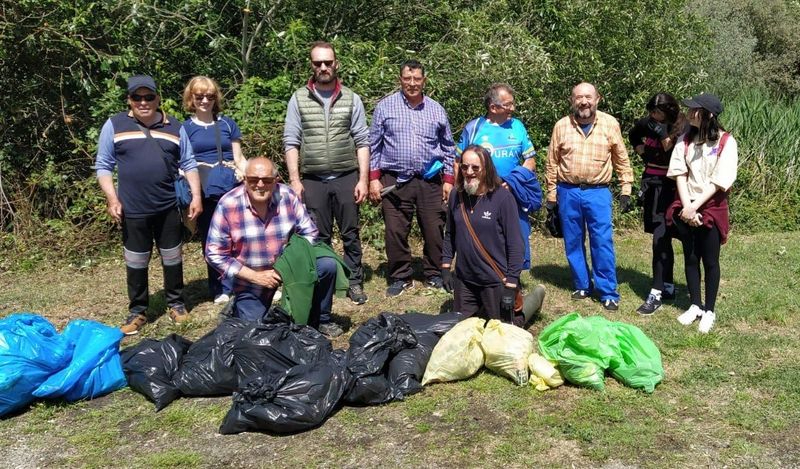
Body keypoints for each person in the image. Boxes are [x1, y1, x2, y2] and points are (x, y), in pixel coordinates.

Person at [95, 75, 202, 335]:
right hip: (132, 209)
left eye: (149, 97)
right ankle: (138, 311)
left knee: (173, 257)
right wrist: (112, 199)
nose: (143, 102)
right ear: (129, 100)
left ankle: (176, 304)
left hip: (167, 207)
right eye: (137, 97)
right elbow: (103, 165)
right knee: (136, 261)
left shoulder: (175, 127)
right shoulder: (114, 125)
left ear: (158, 98)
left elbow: (188, 163)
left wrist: (196, 196)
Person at [205, 157, 344, 337]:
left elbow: (310, 233)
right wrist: (255, 276)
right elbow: (214, 253)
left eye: (267, 180)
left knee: (326, 265)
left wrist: (286, 267)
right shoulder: (228, 204)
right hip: (251, 279)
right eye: (254, 179)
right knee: (254, 334)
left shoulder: (288, 196)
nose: (260, 185)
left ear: (276, 180)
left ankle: (320, 318)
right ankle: (238, 307)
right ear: (244, 180)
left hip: (290, 269)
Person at [284, 41, 370, 305]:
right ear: (311, 65)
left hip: (346, 176)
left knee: (350, 233)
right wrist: (295, 180)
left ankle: (354, 281)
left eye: (327, 62)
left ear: (336, 64)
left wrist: (364, 180)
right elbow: (291, 140)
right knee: (318, 236)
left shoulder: (351, 98)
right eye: (317, 63)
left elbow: (362, 141)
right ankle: (328, 282)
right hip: (312, 179)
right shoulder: (298, 98)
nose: (323, 67)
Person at [368, 59, 456, 296]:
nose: (412, 83)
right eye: (407, 79)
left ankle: (434, 273)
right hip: (394, 179)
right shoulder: (385, 107)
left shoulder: (436, 109)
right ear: (400, 80)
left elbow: (448, 148)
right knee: (395, 229)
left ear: (424, 80)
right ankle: (400, 276)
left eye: (417, 79)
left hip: (430, 180)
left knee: (434, 227)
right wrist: (373, 178)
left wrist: (449, 180)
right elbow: (373, 146)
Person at [545, 82, 633, 311]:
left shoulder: (609, 123)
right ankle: (581, 284)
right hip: (568, 191)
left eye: (588, 97)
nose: (584, 102)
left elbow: (621, 157)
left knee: (602, 241)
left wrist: (626, 188)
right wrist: (551, 195)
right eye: (579, 97)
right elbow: (552, 162)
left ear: (597, 99)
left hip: (598, 192)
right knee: (573, 240)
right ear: (571, 101)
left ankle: (607, 291)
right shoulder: (562, 126)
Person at [441, 145, 540, 325]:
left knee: (505, 331)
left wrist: (511, 284)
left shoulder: (502, 198)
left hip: (494, 279)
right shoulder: (457, 195)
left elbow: (516, 244)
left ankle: (535, 299)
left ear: (486, 169)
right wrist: (446, 267)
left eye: (475, 168)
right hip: (465, 280)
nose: (469, 172)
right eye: (464, 167)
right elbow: (450, 233)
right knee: (460, 330)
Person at [666, 93, 737, 333]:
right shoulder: (685, 140)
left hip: (711, 207)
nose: (688, 113)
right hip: (686, 205)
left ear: (707, 114)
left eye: (693, 109)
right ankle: (695, 304)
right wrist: (687, 206)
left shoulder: (726, 142)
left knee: (710, 260)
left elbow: (720, 182)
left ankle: (709, 310)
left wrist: (695, 207)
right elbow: (680, 173)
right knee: (691, 257)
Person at [456, 83, 541, 270]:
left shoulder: (517, 126)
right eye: (508, 104)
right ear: (493, 107)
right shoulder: (473, 128)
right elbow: (458, 162)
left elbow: (530, 161)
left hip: (510, 195)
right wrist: (460, 191)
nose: (513, 108)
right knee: (484, 240)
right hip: (480, 196)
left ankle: (513, 285)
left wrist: (513, 182)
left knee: (515, 239)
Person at [182, 76, 247, 305]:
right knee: (211, 239)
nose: (205, 100)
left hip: (230, 187)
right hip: (204, 192)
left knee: (239, 237)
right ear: (191, 98)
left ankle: (243, 282)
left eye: (210, 96)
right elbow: (182, 161)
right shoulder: (185, 129)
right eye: (200, 96)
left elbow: (239, 158)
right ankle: (219, 286)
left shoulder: (227, 124)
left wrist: (254, 176)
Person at [629, 93, 685, 315]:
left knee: (662, 238)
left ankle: (657, 291)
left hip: (671, 187)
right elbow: (634, 134)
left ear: (669, 110)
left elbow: (673, 154)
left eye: (657, 111)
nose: (653, 115)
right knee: (660, 238)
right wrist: (642, 151)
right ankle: (667, 285)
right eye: (651, 111)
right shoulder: (649, 122)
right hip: (652, 185)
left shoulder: (681, 125)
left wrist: (663, 135)